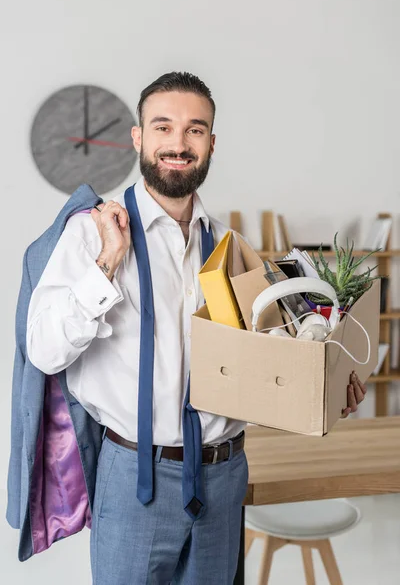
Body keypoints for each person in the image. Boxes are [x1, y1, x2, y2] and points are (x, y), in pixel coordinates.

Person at [26, 71, 366, 584]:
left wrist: (327, 385)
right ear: (138, 138)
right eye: (163, 127)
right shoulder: (90, 235)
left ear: (211, 144)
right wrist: (107, 266)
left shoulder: (231, 246)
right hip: (133, 478)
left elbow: (270, 359)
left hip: (225, 477)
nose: (178, 144)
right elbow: (45, 351)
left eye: (195, 130)